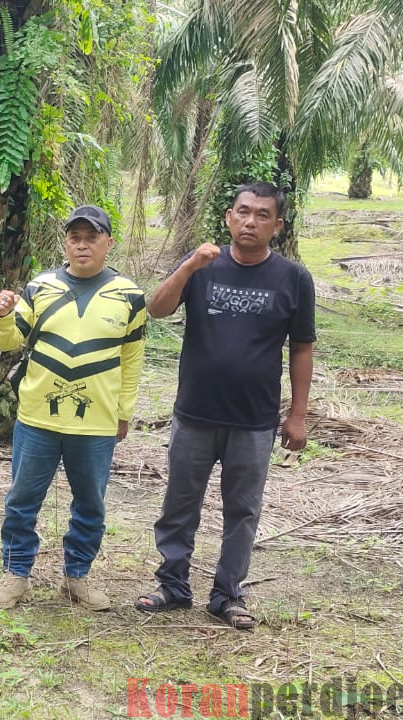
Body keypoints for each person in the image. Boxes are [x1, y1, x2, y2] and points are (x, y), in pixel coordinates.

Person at [134, 181, 315, 629]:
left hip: (254, 420)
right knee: (179, 504)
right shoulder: (202, 265)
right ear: (229, 218)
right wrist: (188, 266)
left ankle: (227, 595)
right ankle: (173, 585)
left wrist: (297, 415)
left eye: (262, 215)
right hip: (194, 413)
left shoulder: (293, 279)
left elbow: (301, 349)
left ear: (277, 226)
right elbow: (156, 309)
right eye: (243, 212)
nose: (251, 221)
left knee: (243, 511)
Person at [0, 205, 146, 611]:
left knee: (90, 504)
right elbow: (9, 342)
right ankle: (16, 575)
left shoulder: (129, 296)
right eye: (75, 238)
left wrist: (123, 412)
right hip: (37, 417)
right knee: (22, 499)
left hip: (96, 421)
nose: (82, 245)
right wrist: (2, 315)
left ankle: (77, 577)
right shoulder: (40, 287)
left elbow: (131, 360)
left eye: (92, 238)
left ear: (108, 243)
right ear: (66, 244)